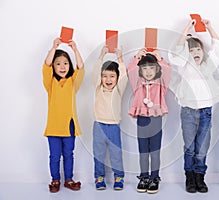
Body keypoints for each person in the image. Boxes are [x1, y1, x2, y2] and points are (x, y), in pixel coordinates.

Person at [168, 19, 219, 193]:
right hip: (188, 110)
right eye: (191, 50)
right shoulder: (184, 65)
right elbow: (175, 54)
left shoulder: (208, 65)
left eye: (198, 49)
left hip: (205, 111)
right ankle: (190, 177)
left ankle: (200, 176)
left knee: (202, 147)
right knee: (189, 147)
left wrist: (210, 27)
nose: (195, 52)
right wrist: (186, 29)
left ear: (203, 51)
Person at [43, 37, 85, 193]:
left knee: (69, 154)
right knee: (54, 156)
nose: (62, 67)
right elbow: (46, 65)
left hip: (69, 126)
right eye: (58, 63)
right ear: (53, 66)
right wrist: (53, 47)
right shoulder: (50, 83)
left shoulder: (73, 82)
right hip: (54, 127)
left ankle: (69, 179)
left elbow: (81, 67)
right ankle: (55, 180)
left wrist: (75, 49)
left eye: (65, 63)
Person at [127, 48, 171, 194]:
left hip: (156, 119)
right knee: (143, 151)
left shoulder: (161, 85)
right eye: (144, 68)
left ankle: (154, 178)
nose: (148, 71)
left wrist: (160, 58)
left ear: (157, 69)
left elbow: (167, 71)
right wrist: (137, 57)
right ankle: (144, 177)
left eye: (151, 67)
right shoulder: (137, 84)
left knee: (155, 151)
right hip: (142, 120)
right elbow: (131, 69)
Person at [92, 46, 128, 190]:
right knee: (99, 153)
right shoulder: (98, 88)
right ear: (101, 77)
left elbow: (124, 74)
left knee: (116, 153)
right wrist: (101, 55)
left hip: (114, 126)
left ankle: (119, 177)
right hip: (99, 125)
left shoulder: (118, 89)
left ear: (117, 78)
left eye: (112, 76)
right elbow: (95, 71)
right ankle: (99, 177)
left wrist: (120, 58)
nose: (108, 79)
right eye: (105, 76)